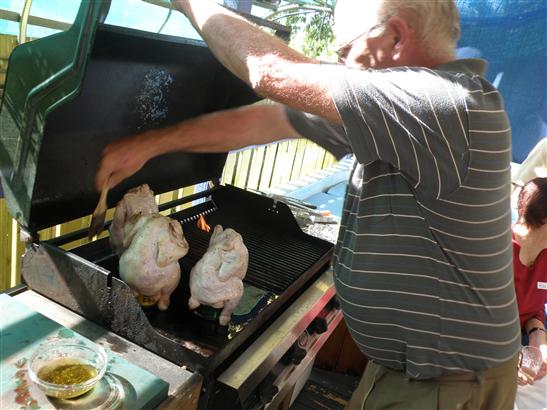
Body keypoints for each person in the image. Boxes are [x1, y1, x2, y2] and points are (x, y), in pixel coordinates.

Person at [96, 1, 521, 408]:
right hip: (417, 371)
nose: (341, 63)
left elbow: (270, 71)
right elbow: (269, 119)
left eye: (344, 50)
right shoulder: (406, 114)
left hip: (448, 383)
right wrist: (150, 146)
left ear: (393, 36)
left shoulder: (444, 102)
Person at [512, 177, 547, 385]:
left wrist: (538, 336)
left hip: (522, 339)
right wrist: (508, 361)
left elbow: (535, 308)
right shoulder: (495, 253)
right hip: (486, 345)